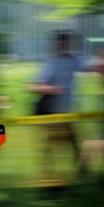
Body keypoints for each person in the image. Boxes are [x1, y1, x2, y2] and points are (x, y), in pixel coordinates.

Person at [31, 30, 84, 181]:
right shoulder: (51, 63)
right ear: (56, 45)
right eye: (61, 44)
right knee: (50, 147)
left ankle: (78, 174)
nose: (64, 47)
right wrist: (52, 89)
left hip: (66, 112)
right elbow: (36, 86)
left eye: (66, 44)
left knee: (72, 144)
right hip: (52, 113)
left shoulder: (73, 60)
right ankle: (49, 177)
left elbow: (89, 67)